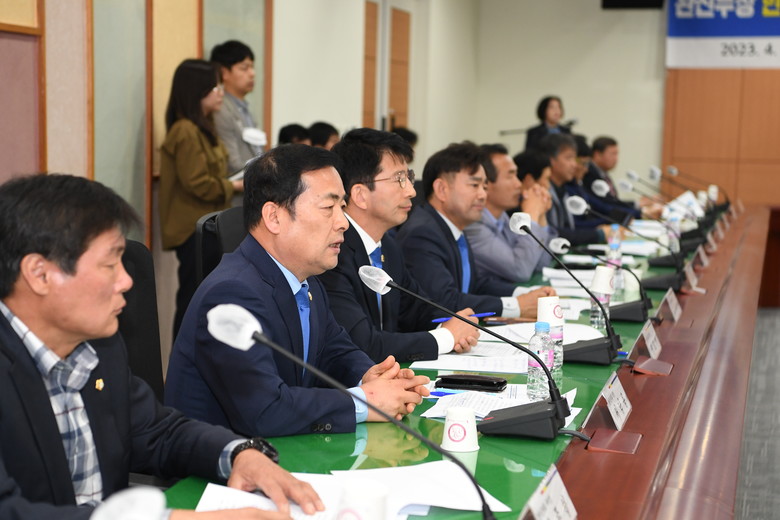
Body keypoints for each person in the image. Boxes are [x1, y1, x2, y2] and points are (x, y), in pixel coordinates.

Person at [0, 174, 323, 519]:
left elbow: (157, 432)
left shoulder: (99, 349)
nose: (127, 280)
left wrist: (239, 454)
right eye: (109, 265)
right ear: (39, 274)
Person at [165, 144, 430, 437]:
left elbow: (333, 349)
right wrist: (366, 402)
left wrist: (369, 375)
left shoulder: (305, 278)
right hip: (223, 460)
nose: (343, 222)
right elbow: (265, 410)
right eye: (328, 208)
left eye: (342, 207)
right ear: (274, 217)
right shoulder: (231, 294)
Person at [318, 128, 480, 363]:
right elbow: (362, 344)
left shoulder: (388, 246)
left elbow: (417, 310)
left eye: (409, 177)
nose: (412, 191)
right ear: (360, 195)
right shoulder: (333, 252)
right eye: (399, 179)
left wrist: (454, 323)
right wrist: (446, 337)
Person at [396, 141, 555, 319]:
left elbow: (475, 284)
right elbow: (444, 302)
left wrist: (523, 293)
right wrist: (516, 306)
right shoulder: (422, 234)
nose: (483, 195)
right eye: (474, 185)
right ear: (442, 190)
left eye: (484, 187)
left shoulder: (452, 226)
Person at [159, 59, 242, 339]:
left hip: (209, 224)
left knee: (208, 298)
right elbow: (198, 184)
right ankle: (183, 358)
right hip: (191, 229)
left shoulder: (205, 127)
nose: (220, 93)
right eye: (214, 87)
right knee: (192, 299)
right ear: (197, 91)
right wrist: (234, 186)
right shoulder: (185, 130)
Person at [464, 144, 553, 284]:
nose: (519, 184)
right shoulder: (472, 226)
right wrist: (532, 216)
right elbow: (520, 270)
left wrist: (540, 216)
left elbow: (540, 264)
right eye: (510, 176)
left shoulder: (503, 218)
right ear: (486, 183)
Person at [541, 133, 607, 246]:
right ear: (552, 160)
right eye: (568, 158)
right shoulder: (543, 191)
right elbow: (551, 233)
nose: (574, 165)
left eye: (574, 159)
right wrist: (598, 234)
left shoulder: (563, 189)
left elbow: (570, 227)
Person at [210, 40, 264, 172]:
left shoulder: (245, 108)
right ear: (224, 73)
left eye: (252, 67)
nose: (252, 73)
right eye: (244, 68)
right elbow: (232, 163)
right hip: (240, 181)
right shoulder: (220, 109)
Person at [584, 136, 661, 219]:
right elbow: (605, 206)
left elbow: (613, 201)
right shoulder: (589, 175)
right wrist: (641, 212)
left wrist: (638, 204)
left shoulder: (602, 173)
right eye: (612, 154)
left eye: (617, 154)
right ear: (598, 154)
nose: (616, 158)